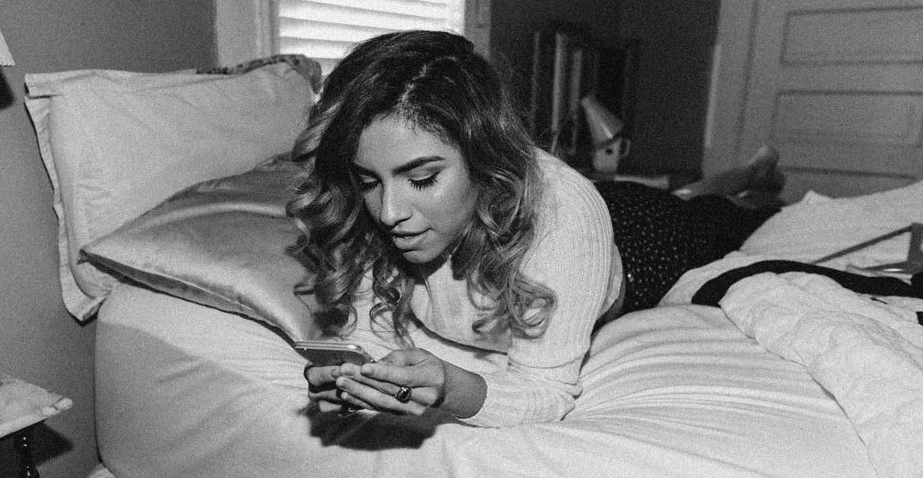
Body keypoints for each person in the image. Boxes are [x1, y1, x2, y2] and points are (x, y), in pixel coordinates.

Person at [287, 30, 784, 428]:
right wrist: (351, 379)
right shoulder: (374, 210)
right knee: (689, 193)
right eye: (369, 181)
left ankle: (755, 179)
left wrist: (451, 388)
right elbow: (365, 335)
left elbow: (547, 391)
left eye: (422, 179)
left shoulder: (564, 212)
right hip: (594, 205)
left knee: (719, 214)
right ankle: (745, 175)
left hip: (643, 238)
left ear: (483, 158)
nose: (389, 212)